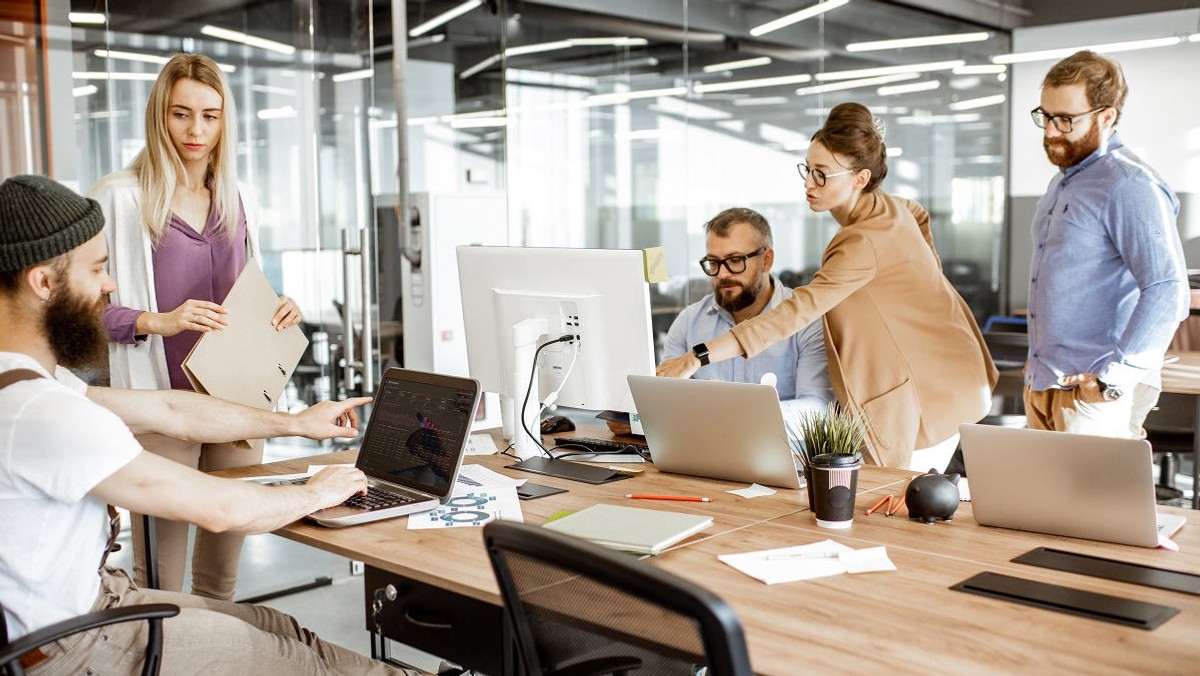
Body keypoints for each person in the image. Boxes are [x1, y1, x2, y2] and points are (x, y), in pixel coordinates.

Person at [0, 174, 408, 674]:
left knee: (277, 626)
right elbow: (220, 508)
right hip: (72, 644)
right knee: (304, 659)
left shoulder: (35, 384)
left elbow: (173, 410)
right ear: (43, 282)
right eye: (99, 269)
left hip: (90, 602)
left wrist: (296, 423)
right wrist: (317, 492)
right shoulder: (42, 412)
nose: (109, 286)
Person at [658, 103, 997, 471]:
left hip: (931, 397)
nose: (808, 184)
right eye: (807, 169)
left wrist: (699, 356)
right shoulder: (892, 208)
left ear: (859, 178)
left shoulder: (861, 242)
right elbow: (919, 214)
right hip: (955, 377)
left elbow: (794, 312)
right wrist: (924, 290)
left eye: (822, 175)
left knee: (891, 509)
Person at [87, 53, 301, 600]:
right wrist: (157, 320)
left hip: (238, 404)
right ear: (161, 115)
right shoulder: (121, 198)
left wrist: (280, 307)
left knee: (221, 580)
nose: (196, 130)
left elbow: (247, 290)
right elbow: (83, 309)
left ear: (225, 120)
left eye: (210, 115)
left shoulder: (239, 196)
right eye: (182, 114)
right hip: (163, 411)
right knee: (161, 580)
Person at [1024, 50, 1187, 437]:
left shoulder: (1129, 185)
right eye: (1045, 116)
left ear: (1106, 116)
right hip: (1045, 381)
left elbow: (1167, 288)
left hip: (1094, 392)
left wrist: (1113, 379)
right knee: (1038, 499)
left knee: (1095, 500)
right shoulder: (1064, 181)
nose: (1050, 131)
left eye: (1065, 120)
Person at [663, 207, 833, 420]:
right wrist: (632, 418)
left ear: (766, 260)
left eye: (735, 260)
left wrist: (738, 406)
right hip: (704, 450)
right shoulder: (689, 322)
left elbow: (818, 409)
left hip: (782, 451)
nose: (722, 274)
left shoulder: (807, 321)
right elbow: (665, 401)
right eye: (714, 263)